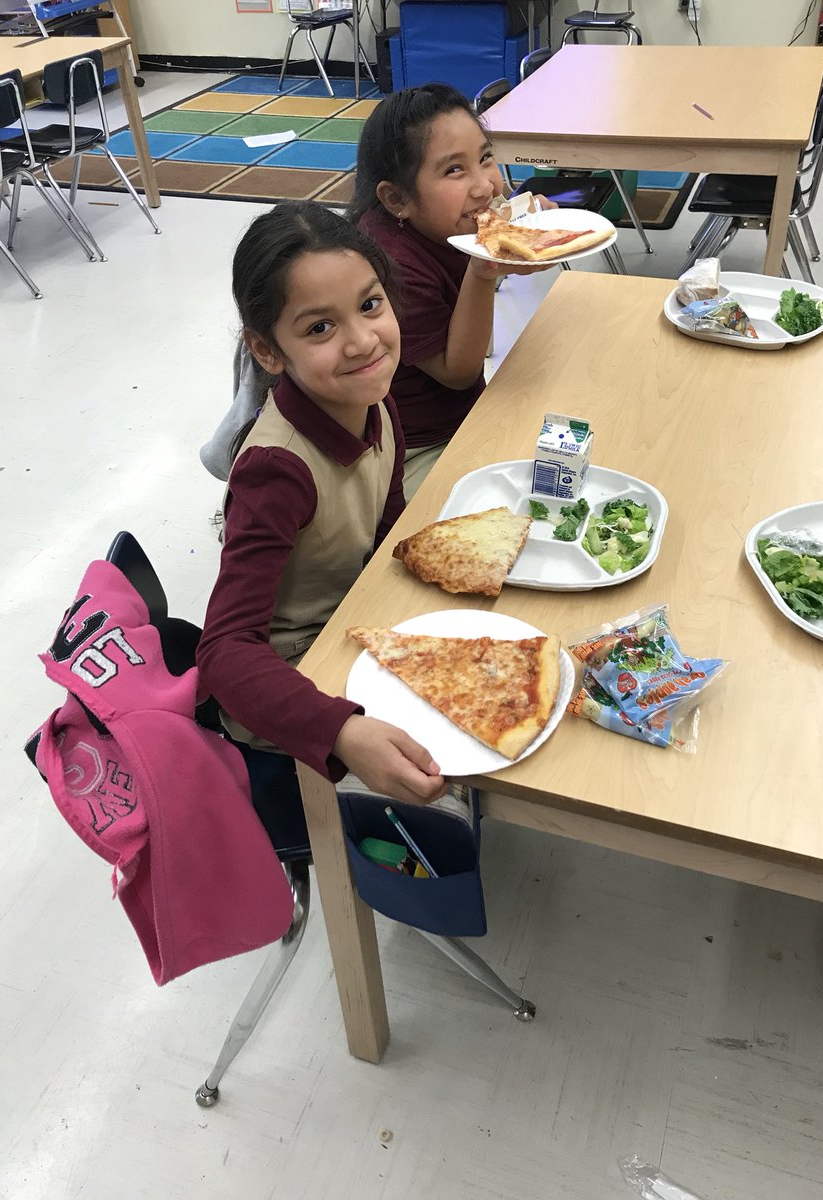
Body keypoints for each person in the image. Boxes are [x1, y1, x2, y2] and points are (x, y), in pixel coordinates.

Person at [196, 201, 448, 818]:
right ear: (267, 350)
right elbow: (226, 651)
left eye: (369, 305)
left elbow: (384, 526)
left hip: (351, 624)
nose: (363, 342)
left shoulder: (377, 404)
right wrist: (342, 731)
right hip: (291, 683)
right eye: (319, 328)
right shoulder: (276, 471)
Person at [348, 83, 553, 498]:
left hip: (466, 413)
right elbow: (457, 373)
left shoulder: (452, 217)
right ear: (397, 199)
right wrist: (485, 271)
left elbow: (500, 206)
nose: (485, 187)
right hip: (413, 446)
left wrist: (528, 234)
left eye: (485, 158)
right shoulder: (390, 264)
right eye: (454, 170)